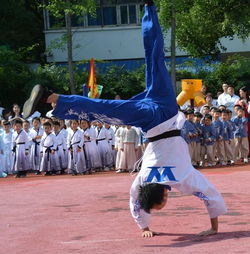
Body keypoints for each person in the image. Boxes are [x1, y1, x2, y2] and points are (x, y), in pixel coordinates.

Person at [23, 0, 227, 237]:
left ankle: (149, 7)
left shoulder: (183, 178)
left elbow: (210, 195)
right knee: (109, 109)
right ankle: (51, 97)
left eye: (159, 206)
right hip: (153, 119)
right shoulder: (147, 179)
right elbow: (137, 199)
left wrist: (211, 228)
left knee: (154, 58)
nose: (163, 205)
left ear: (162, 194)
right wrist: (145, 226)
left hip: (164, 113)